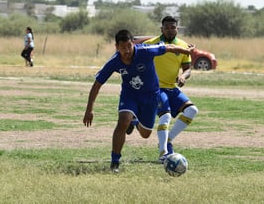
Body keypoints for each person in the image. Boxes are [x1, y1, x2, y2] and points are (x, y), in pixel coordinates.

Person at [82, 29, 194, 173]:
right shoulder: (114, 62)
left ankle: (134, 121)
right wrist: (89, 109)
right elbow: (97, 84)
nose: (127, 50)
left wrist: (186, 51)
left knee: (145, 134)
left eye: (129, 46)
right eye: (123, 48)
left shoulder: (145, 51)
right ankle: (115, 162)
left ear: (132, 44)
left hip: (151, 97)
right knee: (122, 121)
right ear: (117, 47)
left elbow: (168, 47)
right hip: (130, 95)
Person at [143, 16, 199, 163]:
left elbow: (188, 69)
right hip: (155, 89)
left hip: (172, 89)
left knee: (192, 110)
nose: (169, 30)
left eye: (172, 27)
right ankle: (163, 154)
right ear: (161, 29)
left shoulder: (183, 46)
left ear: (177, 29)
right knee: (165, 116)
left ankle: (168, 140)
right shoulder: (151, 44)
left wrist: (183, 76)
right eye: (166, 27)